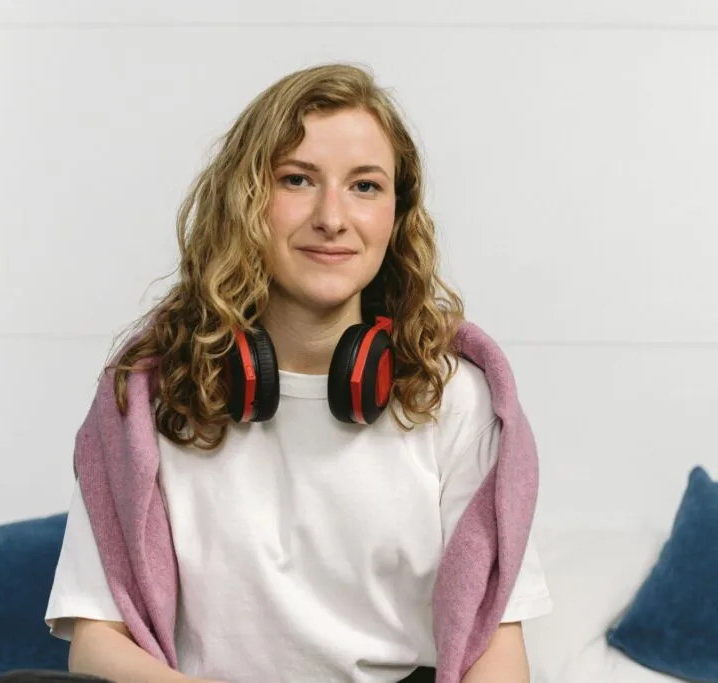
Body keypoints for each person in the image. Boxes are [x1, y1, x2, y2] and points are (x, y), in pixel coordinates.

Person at [42, 62, 552, 683]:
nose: (332, 218)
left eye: (365, 186)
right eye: (297, 179)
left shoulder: (458, 397)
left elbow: (496, 649)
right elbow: (96, 640)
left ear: (396, 215)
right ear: (246, 200)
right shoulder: (150, 399)